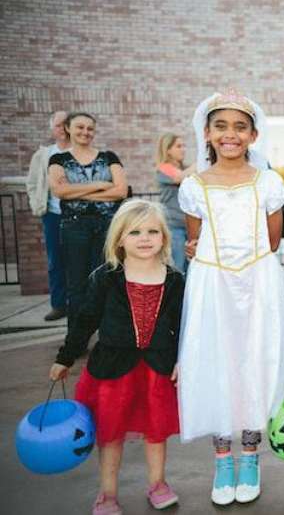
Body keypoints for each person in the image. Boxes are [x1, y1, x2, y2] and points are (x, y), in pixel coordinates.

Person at [176, 91, 284, 506]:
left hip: (257, 284)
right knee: (217, 362)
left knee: (253, 361)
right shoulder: (193, 187)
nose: (230, 134)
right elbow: (195, 238)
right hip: (213, 285)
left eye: (240, 126)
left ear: (254, 134)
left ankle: (249, 453)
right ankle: (223, 460)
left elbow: (273, 236)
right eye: (220, 126)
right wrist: (198, 251)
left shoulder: (269, 183)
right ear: (207, 132)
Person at [49, 199, 184, 515]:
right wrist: (65, 358)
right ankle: (107, 494)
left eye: (153, 231)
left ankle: (158, 484)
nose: (145, 238)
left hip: (158, 369)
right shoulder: (106, 277)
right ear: (119, 238)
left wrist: (182, 359)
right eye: (135, 232)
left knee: (156, 430)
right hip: (112, 371)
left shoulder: (175, 279)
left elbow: (183, 326)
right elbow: (85, 320)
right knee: (110, 434)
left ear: (164, 237)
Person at [48, 112, 128, 330]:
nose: (85, 132)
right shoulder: (58, 160)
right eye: (79, 127)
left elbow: (121, 190)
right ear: (68, 129)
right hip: (74, 226)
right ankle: (77, 337)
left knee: (105, 280)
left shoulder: (109, 156)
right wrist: (101, 184)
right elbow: (59, 191)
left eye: (90, 128)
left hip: (106, 225)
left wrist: (77, 191)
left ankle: (106, 336)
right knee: (76, 284)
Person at [26, 110, 70, 321]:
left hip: (77, 216)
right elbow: (32, 183)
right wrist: (37, 204)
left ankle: (80, 305)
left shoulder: (79, 152)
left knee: (79, 261)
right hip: (52, 215)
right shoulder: (44, 154)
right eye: (58, 125)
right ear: (52, 129)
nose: (62, 128)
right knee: (55, 261)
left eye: (65, 124)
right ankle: (59, 305)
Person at [154, 132, 189, 273]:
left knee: (191, 269)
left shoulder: (185, 169)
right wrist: (201, 161)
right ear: (167, 150)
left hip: (189, 226)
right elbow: (179, 178)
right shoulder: (163, 168)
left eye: (184, 145)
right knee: (177, 269)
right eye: (178, 146)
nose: (183, 149)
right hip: (174, 227)